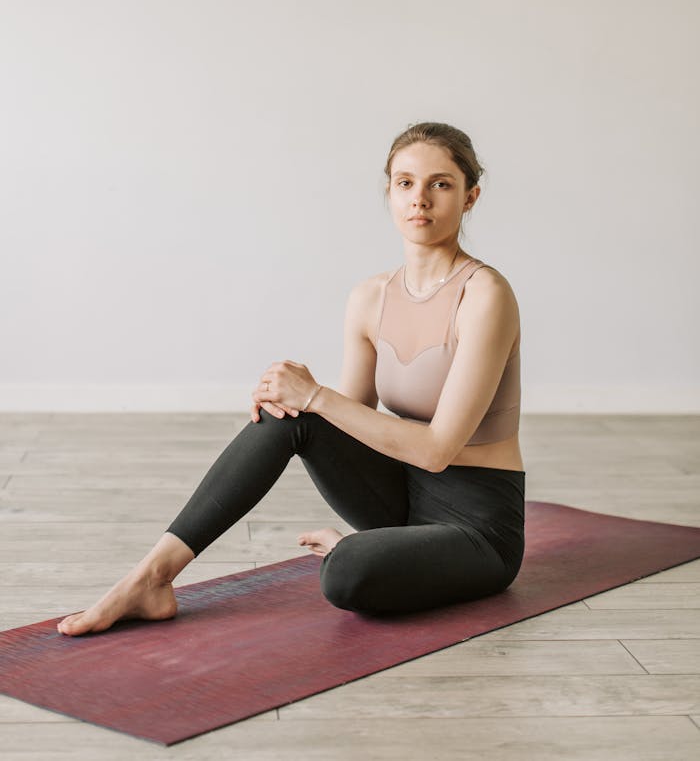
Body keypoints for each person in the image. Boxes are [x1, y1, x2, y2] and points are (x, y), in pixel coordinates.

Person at [57, 121, 525, 635]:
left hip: (478, 526)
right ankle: (151, 577)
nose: (420, 199)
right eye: (405, 183)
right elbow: (349, 425)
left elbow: (437, 450)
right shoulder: (370, 297)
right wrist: (291, 401)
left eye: (441, 184)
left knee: (347, 574)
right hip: (400, 501)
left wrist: (318, 395)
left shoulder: (484, 295)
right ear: (389, 192)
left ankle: (361, 552)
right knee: (290, 416)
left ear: (470, 196)